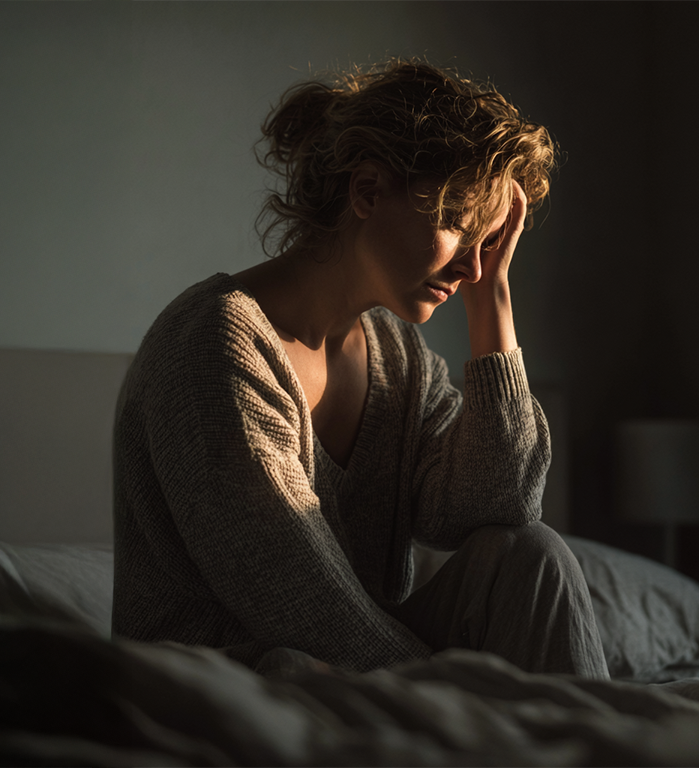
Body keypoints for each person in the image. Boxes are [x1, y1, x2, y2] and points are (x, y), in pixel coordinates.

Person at [111, 60, 607, 678]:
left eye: (489, 243)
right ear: (368, 191)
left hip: (361, 683)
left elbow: (500, 504)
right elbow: (303, 612)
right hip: (231, 696)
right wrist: (461, 699)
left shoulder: (399, 360)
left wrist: (494, 300)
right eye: (458, 226)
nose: (472, 267)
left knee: (533, 557)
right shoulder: (215, 345)